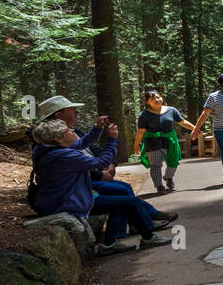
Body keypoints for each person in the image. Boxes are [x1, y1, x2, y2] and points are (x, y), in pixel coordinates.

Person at [33, 94, 172, 241]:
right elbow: (99, 161)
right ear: (58, 135)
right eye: (68, 131)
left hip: (71, 193)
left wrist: (97, 128)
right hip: (69, 200)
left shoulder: (51, 144)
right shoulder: (62, 155)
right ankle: (146, 235)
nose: (72, 131)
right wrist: (112, 140)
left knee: (123, 194)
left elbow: (81, 144)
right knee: (126, 200)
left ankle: (117, 237)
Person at [132, 90, 195, 194]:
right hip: (152, 142)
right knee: (155, 165)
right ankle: (159, 186)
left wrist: (195, 129)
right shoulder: (144, 115)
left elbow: (182, 122)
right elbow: (141, 131)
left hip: (170, 141)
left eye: (158, 97)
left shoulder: (171, 110)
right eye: (153, 98)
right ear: (147, 102)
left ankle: (168, 177)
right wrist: (136, 145)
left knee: (173, 163)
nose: (157, 99)